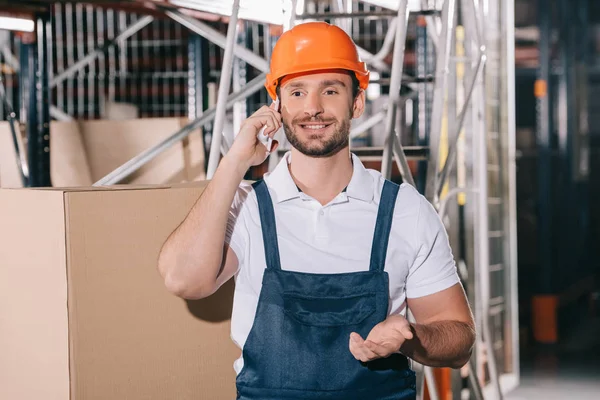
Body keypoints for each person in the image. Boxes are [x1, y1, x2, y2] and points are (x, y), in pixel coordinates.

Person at [158, 21, 475, 400]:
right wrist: (235, 161)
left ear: (357, 101)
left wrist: (411, 336)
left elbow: (459, 341)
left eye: (330, 89)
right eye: (297, 91)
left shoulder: (406, 211)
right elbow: (183, 280)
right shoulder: (247, 206)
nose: (313, 108)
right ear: (276, 104)